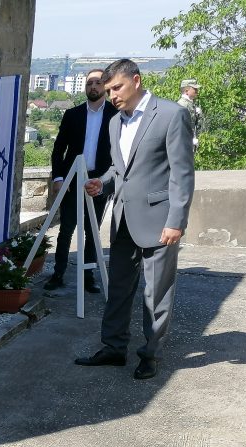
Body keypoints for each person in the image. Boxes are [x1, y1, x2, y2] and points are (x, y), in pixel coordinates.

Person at [78, 59, 195, 380]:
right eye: (108, 90)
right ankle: (114, 348)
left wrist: (176, 220)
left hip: (160, 220)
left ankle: (151, 354)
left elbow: (183, 174)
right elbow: (120, 170)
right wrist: (102, 182)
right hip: (123, 219)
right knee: (117, 288)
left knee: (156, 293)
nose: (112, 95)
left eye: (117, 88)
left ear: (137, 80)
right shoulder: (115, 122)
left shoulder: (171, 114)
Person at [45, 69, 118, 293]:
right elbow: (59, 149)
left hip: (99, 181)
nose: (93, 87)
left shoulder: (116, 115)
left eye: (98, 83)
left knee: (92, 231)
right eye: (89, 83)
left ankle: (88, 276)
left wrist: (109, 182)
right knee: (66, 229)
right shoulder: (72, 114)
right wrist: (58, 178)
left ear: (105, 86)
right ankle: (58, 273)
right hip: (72, 180)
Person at [177, 79, 205, 150]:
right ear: (186, 91)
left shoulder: (190, 103)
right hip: (184, 144)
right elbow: (180, 126)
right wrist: (189, 139)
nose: (197, 91)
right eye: (194, 89)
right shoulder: (182, 105)